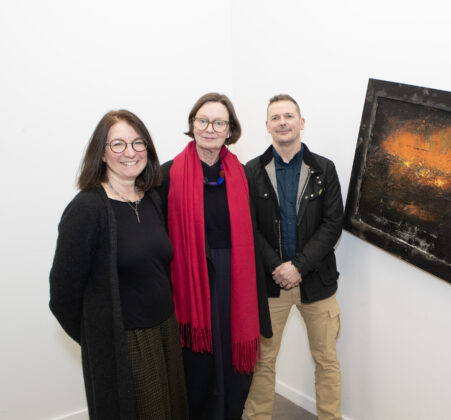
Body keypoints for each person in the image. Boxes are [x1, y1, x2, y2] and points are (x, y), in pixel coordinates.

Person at [49, 110, 189, 420]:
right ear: (101, 153)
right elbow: (62, 296)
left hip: (165, 330)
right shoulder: (87, 209)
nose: (130, 152)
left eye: (138, 143)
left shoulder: (150, 198)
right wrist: (102, 339)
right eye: (118, 144)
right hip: (127, 343)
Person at [158, 92, 272, 420]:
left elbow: (257, 231)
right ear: (192, 125)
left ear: (230, 130)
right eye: (203, 121)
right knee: (199, 364)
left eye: (219, 123)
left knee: (232, 362)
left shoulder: (244, 175)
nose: (210, 129)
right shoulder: (167, 175)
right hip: (190, 280)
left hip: (236, 279)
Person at [245, 94, 344, 420]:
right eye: (276, 117)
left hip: (316, 282)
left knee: (326, 360)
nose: (283, 122)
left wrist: (298, 266)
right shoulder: (252, 171)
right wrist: (276, 266)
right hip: (270, 284)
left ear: (301, 122)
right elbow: (248, 227)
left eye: (289, 116)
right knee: (263, 362)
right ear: (267, 126)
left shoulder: (324, 169)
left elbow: (332, 224)